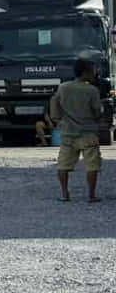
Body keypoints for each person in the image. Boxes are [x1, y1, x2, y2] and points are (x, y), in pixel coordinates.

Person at [45, 57, 105, 203]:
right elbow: (97, 111)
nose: (95, 73)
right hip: (88, 132)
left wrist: (58, 120)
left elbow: (55, 104)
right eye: (92, 71)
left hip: (68, 132)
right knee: (92, 165)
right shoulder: (92, 90)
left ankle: (65, 194)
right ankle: (91, 195)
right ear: (86, 72)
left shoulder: (63, 87)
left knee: (63, 165)